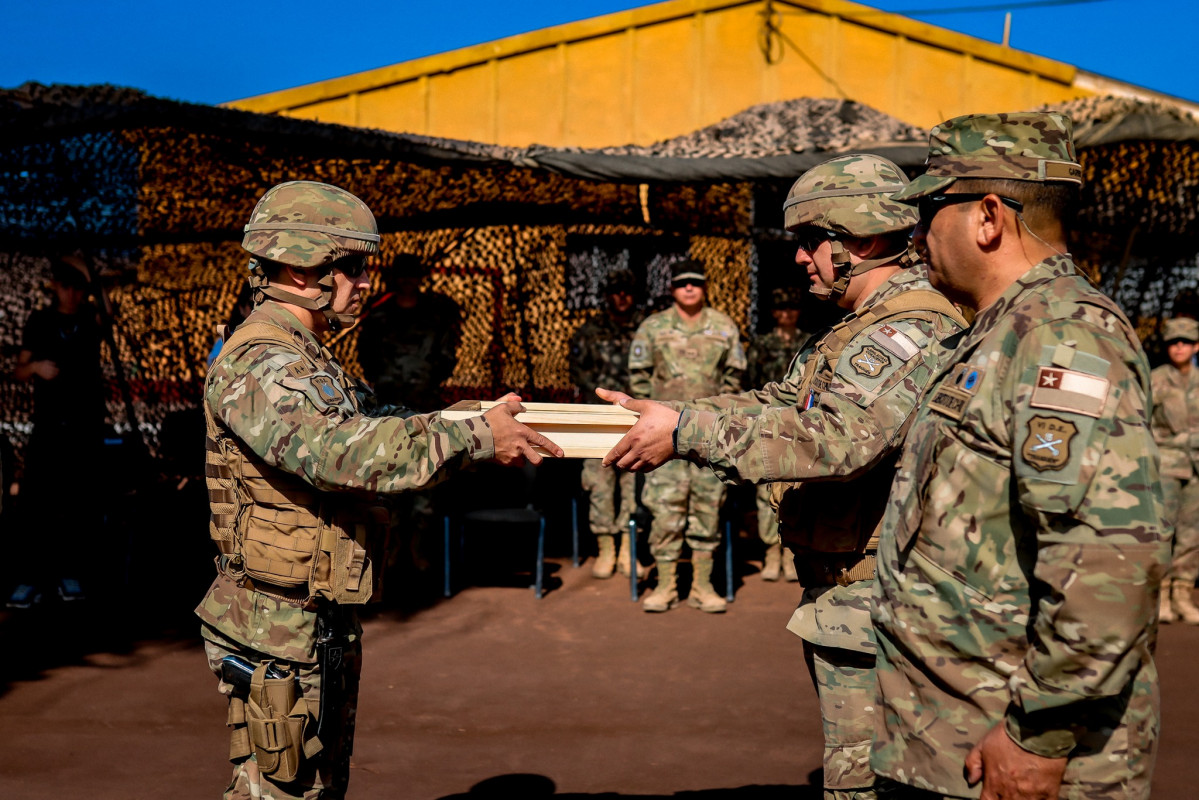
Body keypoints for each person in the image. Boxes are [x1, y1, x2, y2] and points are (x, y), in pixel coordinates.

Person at [601, 154, 968, 799]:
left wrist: (685, 432)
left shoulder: (913, 327)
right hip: (849, 593)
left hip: (885, 600)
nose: (800, 257)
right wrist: (679, 415)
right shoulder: (856, 330)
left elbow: (836, 440)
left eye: (811, 240)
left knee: (870, 786)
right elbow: (781, 403)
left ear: (865, 237)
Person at [197, 180, 561, 800]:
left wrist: (474, 417)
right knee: (282, 792)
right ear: (299, 266)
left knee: (318, 786)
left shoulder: (307, 353)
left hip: (315, 613)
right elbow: (340, 454)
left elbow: (375, 422)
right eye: (354, 265)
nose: (367, 280)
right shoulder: (263, 360)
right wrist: (474, 438)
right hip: (275, 623)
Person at [869, 112, 1168, 800]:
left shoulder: (1061, 337)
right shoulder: (999, 331)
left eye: (925, 211)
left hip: (1012, 754)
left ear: (987, 216)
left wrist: (1039, 731)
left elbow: (1109, 559)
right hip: (952, 736)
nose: (914, 238)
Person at [627, 259, 746, 612]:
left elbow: (735, 376)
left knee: (708, 509)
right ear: (672, 289)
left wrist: (719, 415)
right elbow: (639, 376)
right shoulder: (653, 327)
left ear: (704, 286)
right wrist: (652, 413)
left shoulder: (724, 327)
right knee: (665, 510)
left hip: (709, 435)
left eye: (695, 282)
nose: (689, 288)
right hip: (663, 436)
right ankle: (665, 586)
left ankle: (701, 586)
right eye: (682, 283)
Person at [7, 256, 107, 608]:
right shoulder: (40, 321)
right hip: (48, 428)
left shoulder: (89, 321)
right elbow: (17, 370)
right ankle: (29, 577)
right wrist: (36, 367)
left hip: (84, 428)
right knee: (36, 504)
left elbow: (106, 310)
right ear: (55, 288)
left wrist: (84, 269)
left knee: (78, 504)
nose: (71, 293)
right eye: (65, 286)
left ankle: (71, 574)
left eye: (77, 287)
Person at [569, 268, 646, 579]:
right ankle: (606, 548)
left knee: (634, 485)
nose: (622, 297)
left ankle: (629, 550)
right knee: (600, 483)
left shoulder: (646, 330)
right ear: (606, 296)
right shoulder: (589, 332)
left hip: (638, 418)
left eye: (627, 290)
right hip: (598, 417)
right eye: (615, 291)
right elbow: (578, 372)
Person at [745, 286, 810, 582]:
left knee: (797, 489)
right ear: (773, 313)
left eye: (792, 308)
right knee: (766, 490)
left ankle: (790, 551)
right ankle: (772, 551)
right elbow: (753, 385)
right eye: (781, 309)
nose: (787, 314)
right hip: (768, 423)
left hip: (800, 425)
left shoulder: (809, 343)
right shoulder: (762, 344)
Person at [357, 252, 463, 413]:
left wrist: (428, 377)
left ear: (419, 278)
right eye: (403, 275)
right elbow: (366, 351)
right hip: (387, 398)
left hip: (425, 399)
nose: (407, 281)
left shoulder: (436, 316)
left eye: (412, 275)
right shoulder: (378, 316)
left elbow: (446, 354)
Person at [1151, 315, 1199, 624]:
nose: (1178, 347)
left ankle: (1182, 595)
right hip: (1165, 464)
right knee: (1162, 532)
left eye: (1184, 342)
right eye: (1172, 342)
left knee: (1192, 535)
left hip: (1196, 466)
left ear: (1196, 345)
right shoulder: (1155, 379)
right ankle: (1161, 596)